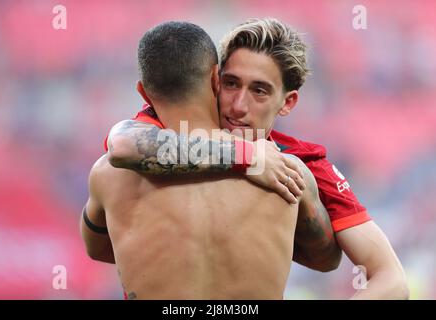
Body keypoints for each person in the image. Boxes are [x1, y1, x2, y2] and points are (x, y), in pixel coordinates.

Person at [105, 18, 409, 299]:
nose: (238, 106)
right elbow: (122, 145)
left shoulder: (303, 163)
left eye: (259, 91)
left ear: (287, 102)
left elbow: (391, 279)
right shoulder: (170, 130)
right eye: (231, 83)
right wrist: (248, 156)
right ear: (214, 80)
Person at [81, 21, 327, 299]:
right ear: (215, 78)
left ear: (143, 92)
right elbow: (326, 258)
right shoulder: (287, 172)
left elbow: (97, 249)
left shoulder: (107, 175)